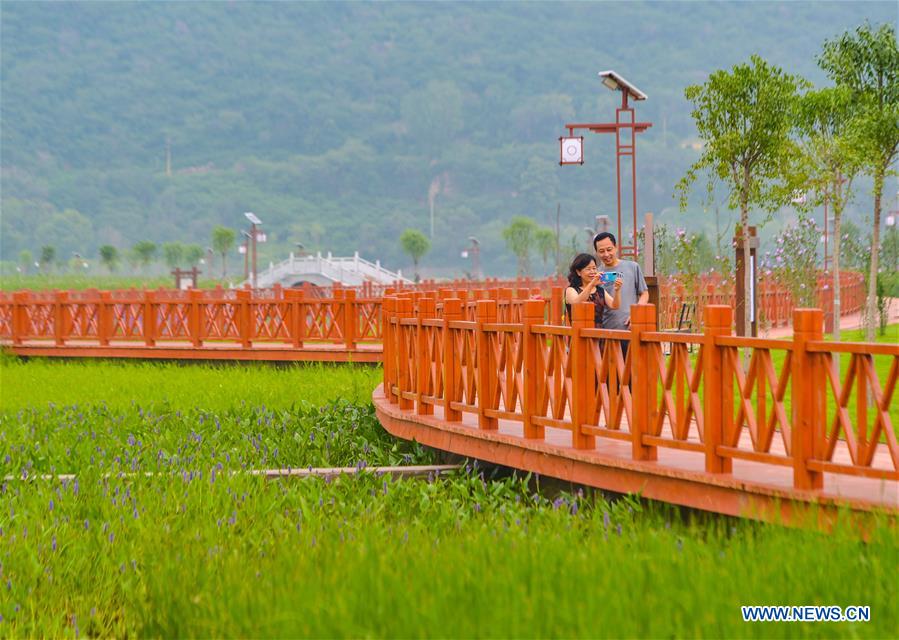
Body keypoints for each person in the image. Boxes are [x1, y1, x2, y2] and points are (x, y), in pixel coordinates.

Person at [593, 232, 648, 330]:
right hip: (607, 331)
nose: (606, 254)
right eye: (601, 251)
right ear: (596, 253)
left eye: (609, 249)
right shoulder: (597, 275)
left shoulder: (632, 267)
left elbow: (644, 294)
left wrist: (636, 314)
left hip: (631, 328)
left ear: (616, 247)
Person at [565, 253, 622, 326]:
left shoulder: (600, 290)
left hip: (598, 335)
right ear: (578, 272)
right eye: (588, 269)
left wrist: (617, 290)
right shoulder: (571, 290)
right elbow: (576, 304)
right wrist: (592, 284)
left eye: (594, 268)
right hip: (579, 335)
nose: (592, 272)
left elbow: (615, 305)